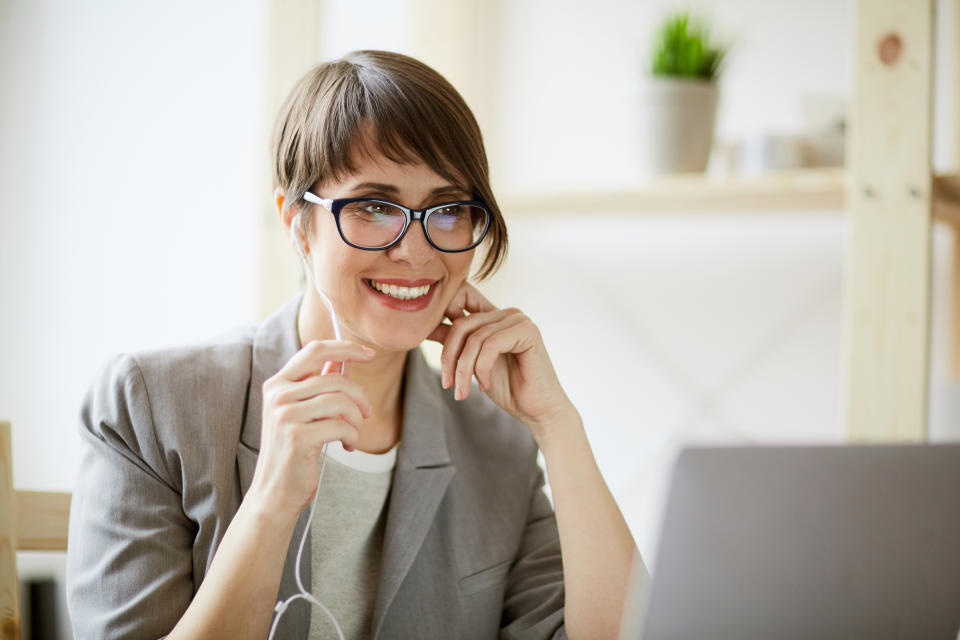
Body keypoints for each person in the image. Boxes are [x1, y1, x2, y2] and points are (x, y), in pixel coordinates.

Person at [65, 49, 645, 640]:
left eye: (447, 210)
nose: (416, 251)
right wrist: (269, 504)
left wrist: (557, 426)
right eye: (373, 206)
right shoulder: (153, 405)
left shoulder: (497, 444)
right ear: (297, 222)